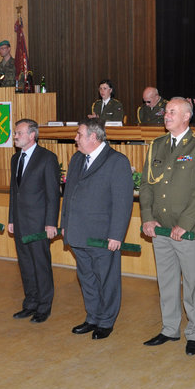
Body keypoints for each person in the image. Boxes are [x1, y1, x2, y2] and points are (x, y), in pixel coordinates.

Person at [140, 98, 195, 355]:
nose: (166, 115)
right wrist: (147, 217)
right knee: (167, 281)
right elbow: (147, 184)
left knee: (193, 283)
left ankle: (194, 333)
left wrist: (184, 224)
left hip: (187, 230)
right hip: (160, 227)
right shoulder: (157, 145)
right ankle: (169, 328)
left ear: (186, 116)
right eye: (166, 111)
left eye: (172, 112)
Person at [61, 118, 133, 339]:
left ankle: (106, 320)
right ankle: (92, 317)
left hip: (103, 236)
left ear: (93, 137)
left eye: (79, 135)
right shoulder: (76, 159)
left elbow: (123, 202)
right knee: (87, 278)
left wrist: (116, 235)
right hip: (78, 232)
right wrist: (65, 224)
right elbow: (69, 195)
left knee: (106, 279)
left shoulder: (116, 161)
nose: (76, 139)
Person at [8, 119, 60, 323]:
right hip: (20, 222)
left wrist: (50, 223)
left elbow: (52, 195)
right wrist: (11, 218)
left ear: (32, 135)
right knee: (26, 265)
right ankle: (30, 303)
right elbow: (14, 192)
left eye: (19, 133)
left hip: (39, 224)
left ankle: (44, 306)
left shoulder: (47, 158)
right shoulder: (15, 159)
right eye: (15, 133)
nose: (15, 136)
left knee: (40, 265)